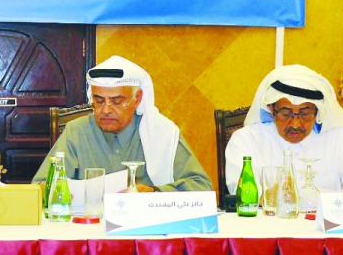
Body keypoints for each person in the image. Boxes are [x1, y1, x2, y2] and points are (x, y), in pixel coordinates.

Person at [32, 56, 211, 192]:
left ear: (137, 99)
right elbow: (41, 188)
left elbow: (202, 187)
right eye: (99, 100)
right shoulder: (76, 131)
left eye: (116, 101)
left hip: (145, 235)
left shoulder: (162, 133)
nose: (106, 110)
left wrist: (154, 193)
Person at [224, 64, 343, 194]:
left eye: (305, 114)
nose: (295, 124)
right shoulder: (246, 140)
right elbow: (247, 195)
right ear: (271, 109)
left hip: (328, 229)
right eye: (286, 114)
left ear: (318, 112)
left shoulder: (339, 136)